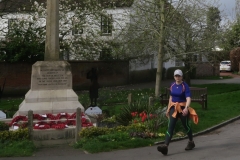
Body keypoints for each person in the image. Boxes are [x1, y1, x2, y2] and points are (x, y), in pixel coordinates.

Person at [157, 69, 198, 155]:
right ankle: (165, 146)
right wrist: (168, 109)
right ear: (174, 77)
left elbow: (188, 98)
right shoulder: (172, 85)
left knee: (186, 125)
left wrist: (186, 108)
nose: (177, 77)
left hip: (183, 107)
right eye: (176, 76)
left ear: (182, 77)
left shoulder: (184, 86)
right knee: (170, 126)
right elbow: (171, 98)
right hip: (174, 108)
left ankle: (191, 142)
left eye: (179, 76)